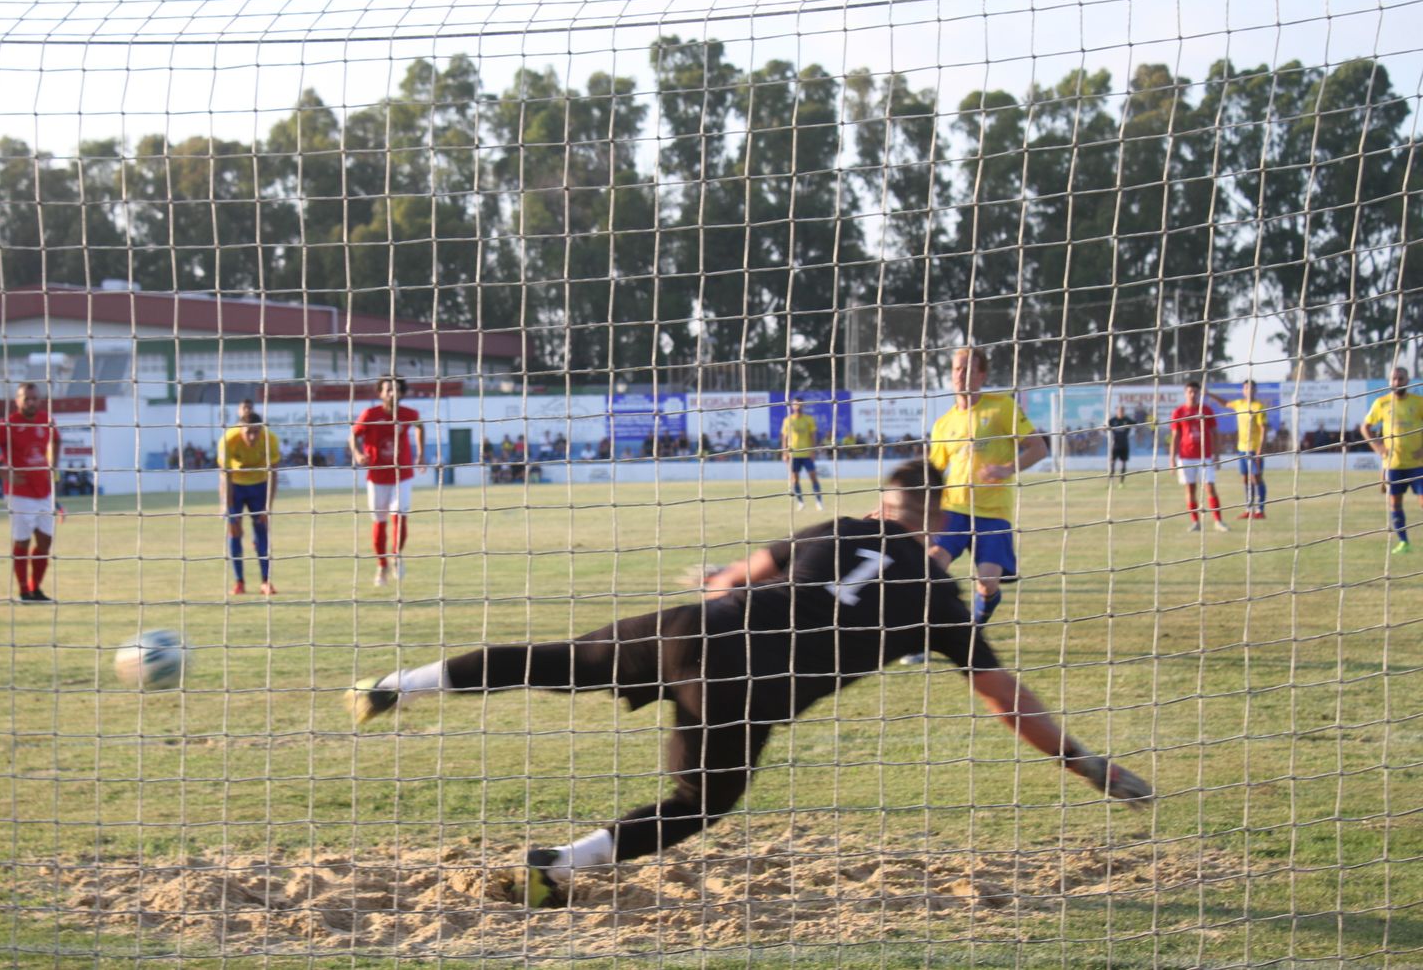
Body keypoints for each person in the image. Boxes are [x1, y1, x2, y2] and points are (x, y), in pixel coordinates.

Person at [344, 459, 1152, 909]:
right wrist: (1085, 762)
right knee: (703, 801)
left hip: (693, 629)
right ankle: (557, 864)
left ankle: (396, 683)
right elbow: (1006, 698)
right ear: (941, 522)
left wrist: (719, 577)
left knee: (548, 659)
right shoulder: (939, 602)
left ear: (884, 503)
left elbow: (743, 572)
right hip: (748, 681)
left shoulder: (840, 527)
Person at [919, 347, 1047, 653]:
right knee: (931, 569)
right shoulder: (943, 424)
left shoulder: (1001, 407)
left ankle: (976, 624)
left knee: (987, 582)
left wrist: (1007, 468)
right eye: (956, 369)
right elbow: (932, 473)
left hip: (992, 514)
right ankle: (922, 638)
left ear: (981, 374)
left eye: (967, 369)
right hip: (953, 511)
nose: (960, 375)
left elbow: (1038, 448)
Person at [0, 382, 61, 603]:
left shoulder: (45, 419)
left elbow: (56, 440)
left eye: (33, 398)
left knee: (45, 541)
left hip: (44, 492)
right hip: (20, 494)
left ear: (39, 400)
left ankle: (36, 588)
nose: (30, 402)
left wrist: (53, 466)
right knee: (22, 541)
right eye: (25, 398)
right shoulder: (7, 424)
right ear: (17, 400)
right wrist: (2, 473)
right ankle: (23, 591)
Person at [349, 376, 424, 587]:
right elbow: (353, 435)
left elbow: (420, 426)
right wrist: (357, 454)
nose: (392, 393)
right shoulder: (370, 415)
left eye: (396, 389)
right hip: (377, 477)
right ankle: (381, 565)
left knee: (399, 516)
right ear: (380, 393)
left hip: (403, 476)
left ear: (402, 392)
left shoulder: (409, 414)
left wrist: (420, 454)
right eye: (388, 389)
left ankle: (395, 556)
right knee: (379, 521)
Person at [1360, 365, 1423, 555]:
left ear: (1407, 381)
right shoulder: (1382, 403)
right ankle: (1404, 542)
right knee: (1395, 504)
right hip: (1393, 464)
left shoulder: (1418, 402)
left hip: (1417, 464)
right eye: (1394, 379)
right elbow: (1366, 427)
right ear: (1390, 382)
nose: (1397, 382)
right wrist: (1378, 447)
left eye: (1401, 379)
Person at [218, 410, 280, 596]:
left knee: (262, 532)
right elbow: (225, 477)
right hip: (235, 487)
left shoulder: (271, 440)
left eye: (256, 432)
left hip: (259, 487)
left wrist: (268, 508)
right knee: (234, 532)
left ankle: (266, 582)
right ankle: (239, 582)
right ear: (240, 429)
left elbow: (273, 474)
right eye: (248, 432)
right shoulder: (228, 440)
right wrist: (228, 509)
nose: (252, 437)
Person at [1169, 381, 1228, 533]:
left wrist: (1217, 455)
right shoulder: (1179, 412)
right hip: (1185, 457)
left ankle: (1218, 521)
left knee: (1210, 487)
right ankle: (1195, 522)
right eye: (1190, 392)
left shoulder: (1206, 410)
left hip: (1205, 456)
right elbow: (1175, 436)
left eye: (1195, 392)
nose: (1193, 395)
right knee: (1190, 489)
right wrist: (1172, 459)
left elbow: (1215, 433)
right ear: (1185, 393)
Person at [1222, 380, 1269, 519]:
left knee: (1257, 478)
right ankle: (1249, 509)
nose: (1249, 390)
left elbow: (1263, 428)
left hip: (1254, 449)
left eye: (1251, 388)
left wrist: (1261, 448)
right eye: (1246, 388)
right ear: (1243, 390)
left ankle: (1260, 510)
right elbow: (1225, 403)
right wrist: (1209, 394)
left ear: (1255, 390)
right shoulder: (1239, 404)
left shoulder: (1258, 406)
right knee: (1245, 479)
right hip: (1242, 448)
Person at [780, 400, 825, 510]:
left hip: (807, 454)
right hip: (793, 455)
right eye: (795, 404)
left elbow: (813, 435)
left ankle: (819, 502)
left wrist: (813, 450)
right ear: (792, 406)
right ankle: (800, 502)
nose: (797, 406)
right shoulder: (788, 420)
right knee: (795, 479)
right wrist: (784, 452)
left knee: (813, 477)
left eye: (799, 404)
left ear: (803, 406)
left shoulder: (809, 419)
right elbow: (784, 437)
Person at [1107, 405, 1136, 485]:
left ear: (1124, 411)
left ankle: (1121, 482)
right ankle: (1110, 482)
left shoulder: (1127, 420)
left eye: (1122, 411)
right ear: (1117, 411)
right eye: (1119, 411)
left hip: (1124, 444)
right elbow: (1105, 426)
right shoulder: (1113, 420)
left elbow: (1136, 424)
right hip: (1115, 445)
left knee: (1123, 463)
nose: (1121, 412)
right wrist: (1104, 428)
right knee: (1112, 463)